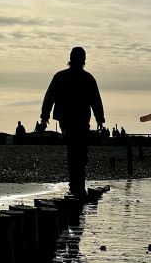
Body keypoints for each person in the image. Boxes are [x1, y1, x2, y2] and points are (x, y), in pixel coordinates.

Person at [40, 45, 105, 198]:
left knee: (73, 151)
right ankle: (78, 185)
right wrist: (100, 119)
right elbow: (96, 100)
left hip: (67, 120)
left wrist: (45, 116)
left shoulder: (61, 76)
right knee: (80, 152)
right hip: (79, 120)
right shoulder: (87, 78)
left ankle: (75, 185)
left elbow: (49, 97)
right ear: (84, 60)